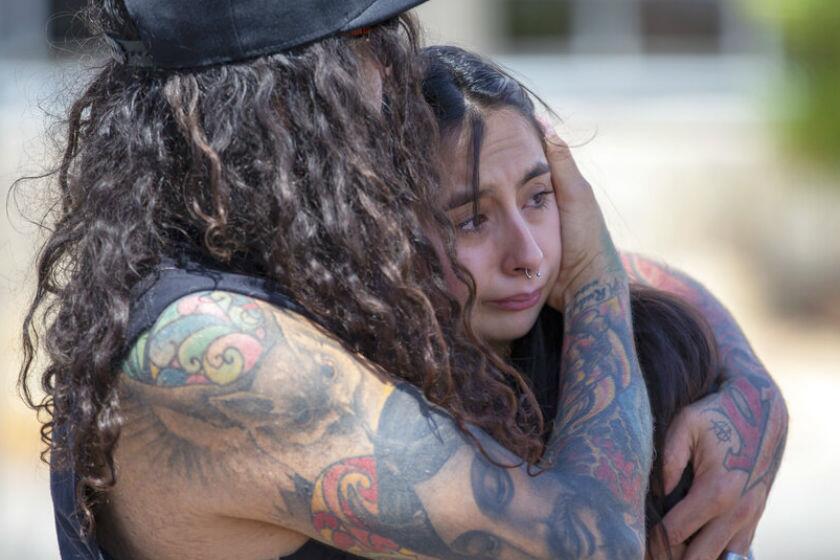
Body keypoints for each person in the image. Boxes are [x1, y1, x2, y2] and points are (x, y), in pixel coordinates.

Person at [12, 3, 782, 560]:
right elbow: (591, 544)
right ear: (279, 98)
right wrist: (590, 282)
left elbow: (658, 279)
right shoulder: (214, 345)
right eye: (367, 43)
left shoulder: (292, 257)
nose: (396, 66)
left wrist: (751, 395)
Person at [420, 45, 787, 560]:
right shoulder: (342, 398)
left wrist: (751, 383)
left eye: (538, 197)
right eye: (472, 220)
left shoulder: (656, 361)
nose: (527, 255)